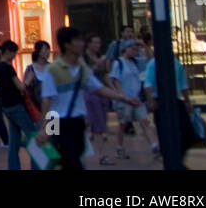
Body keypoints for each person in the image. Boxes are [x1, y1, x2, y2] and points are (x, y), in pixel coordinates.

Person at [39, 27, 139, 170]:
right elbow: (47, 101)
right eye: (77, 41)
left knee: (74, 159)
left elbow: (99, 88)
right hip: (60, 122)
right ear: (67, 44)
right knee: (72, 162)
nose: (81, 44)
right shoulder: (53, 70)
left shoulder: (81, 69)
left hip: (78, 122)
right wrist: (46, 129)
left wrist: (124, 99)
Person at [0, 40, 37, 170]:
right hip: (16, 105)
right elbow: (21, 87)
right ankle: (37, 165)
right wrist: (29, 79)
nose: (15, 56)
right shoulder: (8, 68)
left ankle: (13, 166)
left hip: (6, 106)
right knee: (33, 135)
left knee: (14, 139)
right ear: (9, 52)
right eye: (14, 53)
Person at [143, 50, 192, 162]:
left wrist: (188, 102)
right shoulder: (156, 64)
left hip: (169, 100)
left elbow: (147, 85)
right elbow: (148, 85)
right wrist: (151, 100)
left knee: (174, 130)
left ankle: (173, 156)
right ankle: (173, 157)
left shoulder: (172, 64)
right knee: (171, 130)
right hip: (167, 100)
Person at [110, 40, 154, 160]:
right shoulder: (119, 63)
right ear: (126, 49)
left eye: (136, 49)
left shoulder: (136, 62)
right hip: (125, 99)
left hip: (136, 98)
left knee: (144, 122)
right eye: (132, 49)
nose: (135, 52)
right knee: (123, 124)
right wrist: (123, 97)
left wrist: (144, 45)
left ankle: (154, 145)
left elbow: (150, 59)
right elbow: (115, 80)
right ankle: (120, 147)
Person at [84, 34, 114, 165]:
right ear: (88, 44)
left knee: (101, 123)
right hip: (90, 94)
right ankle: (102, 155)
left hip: (102, 93)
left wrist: (113, 89)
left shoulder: (99, 58)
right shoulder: (83, 58)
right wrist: (97, 65)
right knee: (97, 125)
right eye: (95, 43)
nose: (97, 45)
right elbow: (85, 75)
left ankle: (100, 150)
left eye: (99, 43)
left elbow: (105, 75)